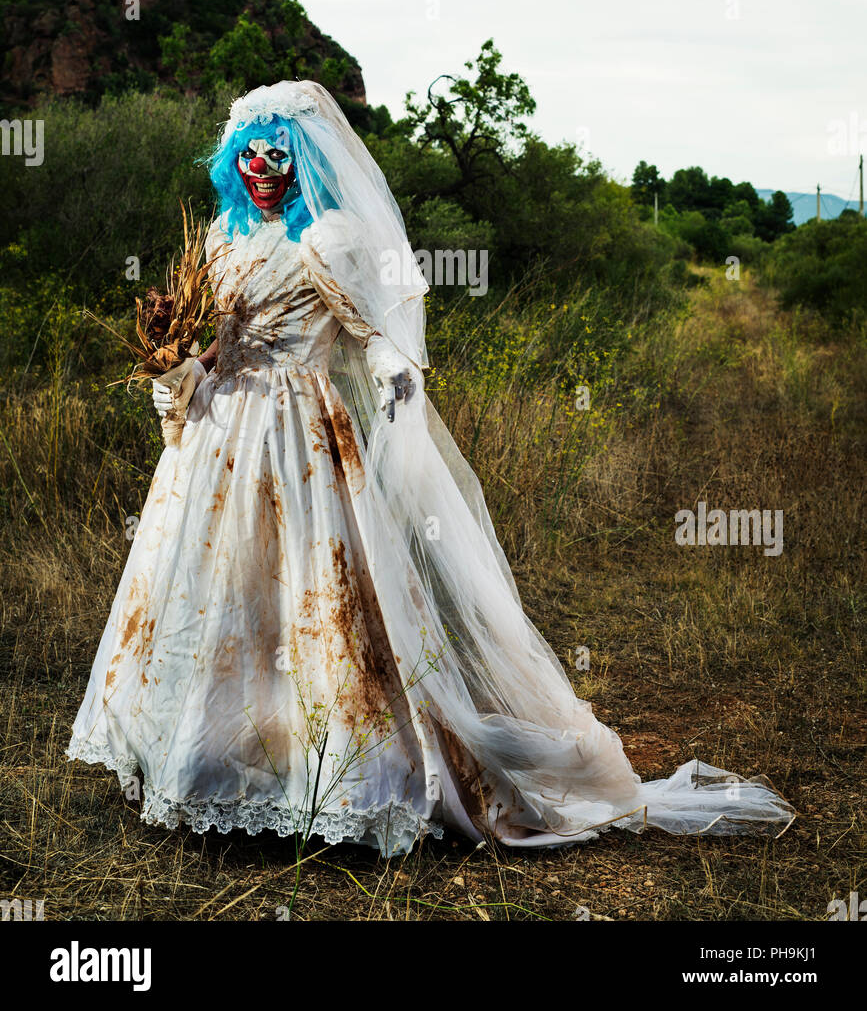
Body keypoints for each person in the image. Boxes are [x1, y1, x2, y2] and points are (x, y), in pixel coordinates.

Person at [67, 80, 793, 854]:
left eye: (277, 151)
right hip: (222, 432)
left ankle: (334, 772)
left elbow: (369, 328)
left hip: (301, 435)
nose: (261, 165)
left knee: (319, 594)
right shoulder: (224, 236)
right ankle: (211, 758)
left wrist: (390, 367)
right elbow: (225, 339)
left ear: (304, 156)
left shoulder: (332, 236)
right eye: (246, 152)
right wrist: (179, 367)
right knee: (219, 590)